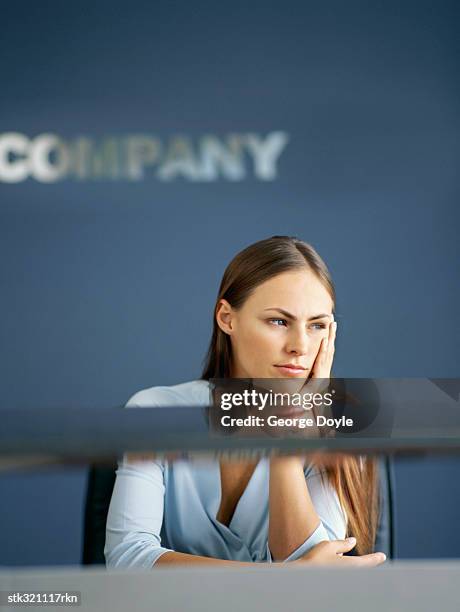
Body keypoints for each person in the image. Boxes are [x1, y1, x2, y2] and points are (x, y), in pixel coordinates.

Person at [105, 236, 386, 568]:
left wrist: (288, 425)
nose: (300, 345)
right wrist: (281, 580)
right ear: (227, 318)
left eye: (317, 326)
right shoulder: (154, 409)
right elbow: (127, 558)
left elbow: (308, 572)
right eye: (279, 321)